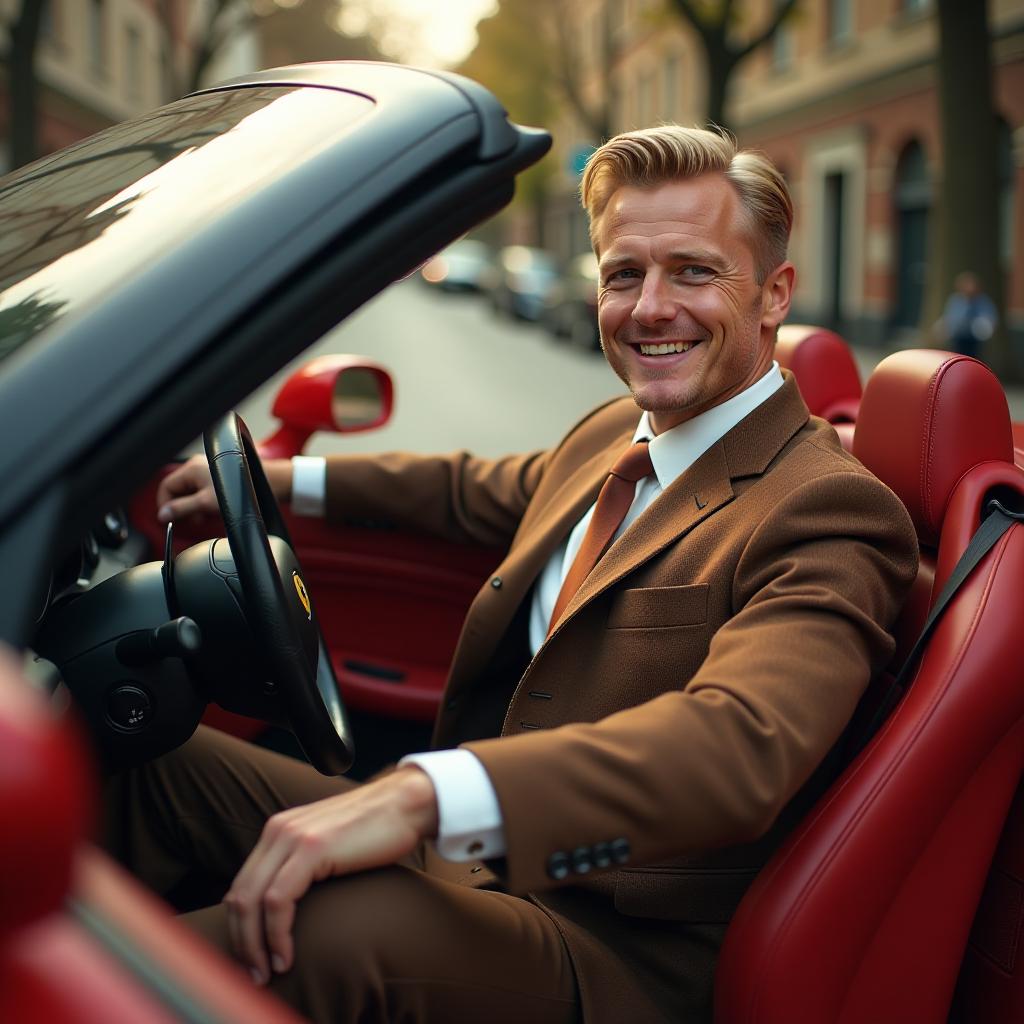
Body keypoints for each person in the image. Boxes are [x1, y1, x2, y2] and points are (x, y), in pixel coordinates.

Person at [108, 126, 918, 1024]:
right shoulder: (614, 436)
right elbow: (470, 490)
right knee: (148, 751)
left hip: (612, 950)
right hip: (480, 863)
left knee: (332, 931)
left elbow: (741, 745)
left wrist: (424, 796)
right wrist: (284, 480)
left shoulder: (831, 509)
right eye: (622, 274)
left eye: (693, 271)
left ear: (773, 296)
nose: (650, 308)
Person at [939, 271, 998, 360]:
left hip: (975, 340)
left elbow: (989, 319)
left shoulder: (983, 301)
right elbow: (950, 318)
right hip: (958, 338)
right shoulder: (955, 300)